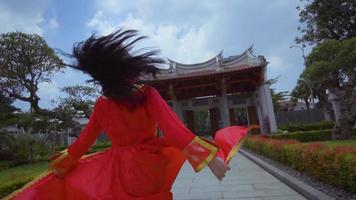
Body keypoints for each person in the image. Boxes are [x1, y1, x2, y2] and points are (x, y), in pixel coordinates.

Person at [5, 29, 248, 200]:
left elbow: (82, 143)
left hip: (118, 170)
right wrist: (211, 160)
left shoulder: (102, 104)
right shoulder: (146, 94)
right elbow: (175, 132)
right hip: (150, 165)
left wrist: (63, 166)